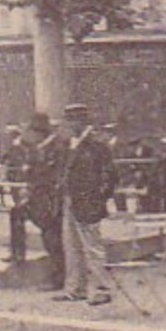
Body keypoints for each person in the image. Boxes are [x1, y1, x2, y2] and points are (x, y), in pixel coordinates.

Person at [56, 103, 117, 306]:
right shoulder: (69, 144)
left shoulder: (98, 145)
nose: (71, 125)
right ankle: (76, 289)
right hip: (70, 201)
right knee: (72, 247)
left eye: (74, 120)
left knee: (93, 248)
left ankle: (102, 289)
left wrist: (99, 199)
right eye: (69, 121)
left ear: (83, 121)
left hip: (89, 203)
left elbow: (110, 176)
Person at [8, 112, 66, 291]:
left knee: (51, 236)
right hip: (37, 195)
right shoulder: (37, 147)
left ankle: (59, 277)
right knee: (16, 214)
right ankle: (18, 255)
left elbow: (55, 173)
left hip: (51, 197)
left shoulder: (56, 147)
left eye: (34, 131)